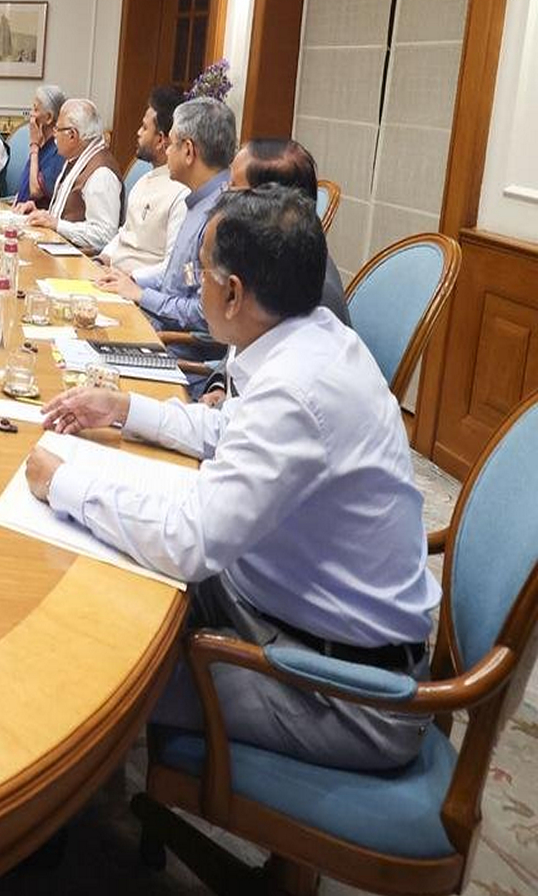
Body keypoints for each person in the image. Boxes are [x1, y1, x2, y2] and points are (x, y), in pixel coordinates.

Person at [27, 186, 437, 771]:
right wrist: (121, 410)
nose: (195, 283)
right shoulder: (308, 338)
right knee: (105, 574)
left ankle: (46, 835)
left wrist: (63, 484)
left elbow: (192, 542)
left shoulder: (299, 389)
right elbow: (228, 432)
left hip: (342, 692)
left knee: (90, 669)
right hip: (288, 611)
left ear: (235, 292)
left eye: (201, 272)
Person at [198, 139, 353, 407]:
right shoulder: (260, 260)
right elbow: (239, 350)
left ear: (268, 201)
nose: (222, 196)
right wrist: (220, 387)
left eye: (233, 189)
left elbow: (273, 405)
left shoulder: (312, 291)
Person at [94, 96, 237, 333]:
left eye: (172, 144)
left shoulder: (219, 215)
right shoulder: (197, 201)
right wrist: (132, 282)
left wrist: (142, 295)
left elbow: (205, 313)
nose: (167, 151)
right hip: (153, 321)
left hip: (174, 346)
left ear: (189, 150)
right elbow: (179, 278)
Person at [97, 85, 190, 274]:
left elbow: (172, 267)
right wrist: (101, 260)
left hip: (137, 291)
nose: (138, 132)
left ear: (161, 140)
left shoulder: (182, 192)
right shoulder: (143, 180)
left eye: (145, 128)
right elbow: (125, 233)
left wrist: (130, 278)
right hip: (110, 278)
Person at [25, 97, 121, 252]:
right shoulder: (76, 159)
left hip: (78, 263)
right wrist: (42, 214)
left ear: (72, 135)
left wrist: (57, 224)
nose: (54, 135)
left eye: (57, 129)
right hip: (58, 249)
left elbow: (104, 236)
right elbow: (66, 215)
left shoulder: (101, 173)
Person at [12, 84, 66, 208]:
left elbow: (35, 191)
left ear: (49, 117)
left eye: (35, 110)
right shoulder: (44, 145)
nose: (31, 115)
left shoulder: (58, 150)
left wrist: (34, 146)